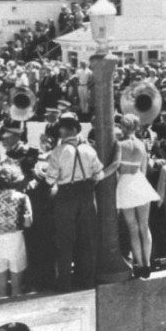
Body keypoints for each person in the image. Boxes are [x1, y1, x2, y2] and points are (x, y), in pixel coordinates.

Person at [44, 113, 103, 292]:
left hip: (66, 196)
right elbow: (99, 175)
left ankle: (64, 284)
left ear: (63, 130)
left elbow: (49, 180)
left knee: (65, 240)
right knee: (87, 240)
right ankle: (87, 282)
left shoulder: (58, 151)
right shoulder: (89, 150)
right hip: (86, 195)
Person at [113, 114, 161, 277]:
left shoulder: (120, 144)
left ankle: (139, 264)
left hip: (126, 182)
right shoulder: (142, 145)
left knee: (132, 227)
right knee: (144, 225)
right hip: (140, 181)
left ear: (123, 127)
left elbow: (115, 166)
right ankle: (147, 263)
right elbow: (144, 170)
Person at [0, 163, 32, 297]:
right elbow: (28, 223)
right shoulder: (23, 197)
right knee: (17, 287)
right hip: (16, 240)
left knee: (0, 286)